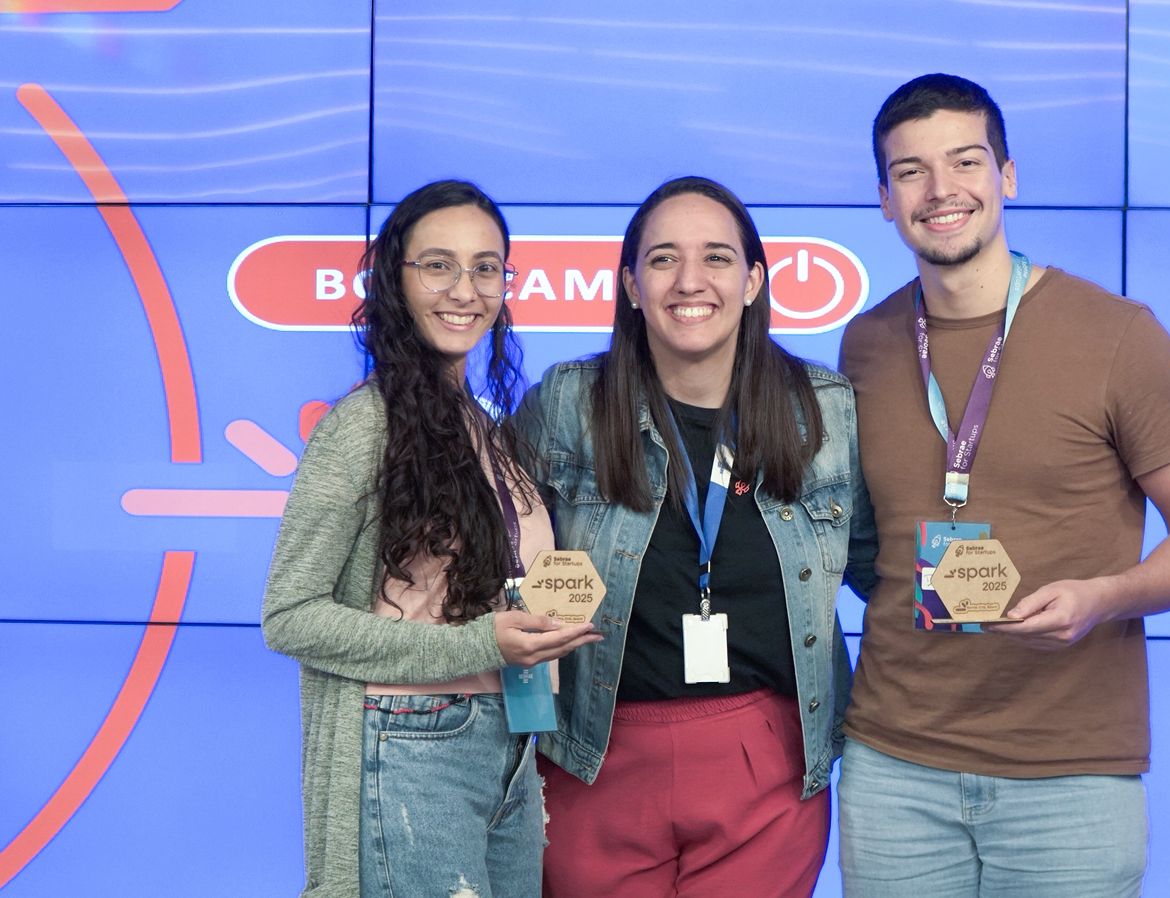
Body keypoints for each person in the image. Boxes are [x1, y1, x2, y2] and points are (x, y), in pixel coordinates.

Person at [837, 74, 1170, 896]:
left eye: (965, 161)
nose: (941, 189)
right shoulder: (866, 343)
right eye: (911, 171)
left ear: (1008, 176)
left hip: (1070, 774)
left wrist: (1104, 596)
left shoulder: (1117, 335)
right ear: (884, 199)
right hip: (895, 766)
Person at [513, 175, 875, 898]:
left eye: (716, 257)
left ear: (753, 281)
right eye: (662, 259)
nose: (689, 280)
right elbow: (493, 559)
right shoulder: (567, 404)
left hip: (765, 765)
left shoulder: (824, 410)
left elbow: (882, 570)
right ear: (630, 285)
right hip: (591, 755)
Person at [262, 179, 601, 898]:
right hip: (411, 741)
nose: (465, 290)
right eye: (438, 265)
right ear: (395, 277)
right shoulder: (364, 425)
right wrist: (479, 645)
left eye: (485, 268)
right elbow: (290, 615)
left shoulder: (482, 426)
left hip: (508, 741)